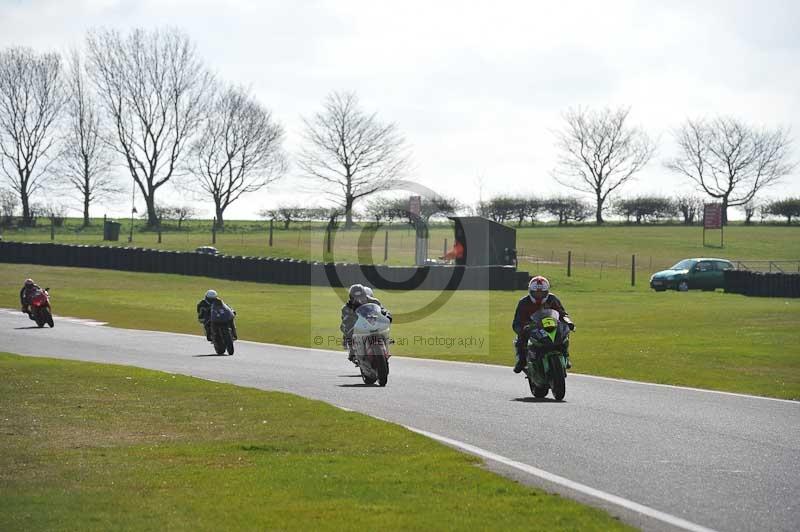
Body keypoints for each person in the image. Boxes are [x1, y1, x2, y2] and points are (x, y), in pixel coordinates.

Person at [512, 276, 574, 373]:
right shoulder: (523, 302)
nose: (539, 295)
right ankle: (522, 361)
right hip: (532, 328)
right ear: (530, 291)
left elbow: (562, 313)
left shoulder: (552, 299)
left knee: (564, 332)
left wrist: (568, 322)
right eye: (536, 293)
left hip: (550, 325)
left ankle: (565, 355)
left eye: (542, 293)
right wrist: (522, 329)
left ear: (547, 292)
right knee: (521, 339)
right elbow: (516, 322)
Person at [340, 284, 392, 362]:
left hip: (373, 323)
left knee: (385, 329)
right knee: (348, 334)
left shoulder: (374, 301)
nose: (359, 300)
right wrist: (349, 327)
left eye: (361, 296)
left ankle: (386, 346)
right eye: (356, 298)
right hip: (357, 326)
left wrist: (387, 315)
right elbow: (345, 320)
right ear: (351, 298)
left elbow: (382, 309)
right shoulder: (347, 307)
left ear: (365, 295)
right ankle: (353, 352)